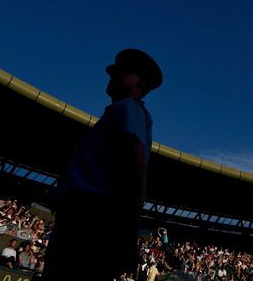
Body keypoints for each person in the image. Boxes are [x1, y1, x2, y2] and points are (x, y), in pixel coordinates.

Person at [42, 49, 163, 280]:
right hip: (85, 219)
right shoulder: (123, 111)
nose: (113, 77)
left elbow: (135, 172)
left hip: (90, 223)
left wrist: (128, 234)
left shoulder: (129, 108)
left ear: (140, 81)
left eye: (122, 72)